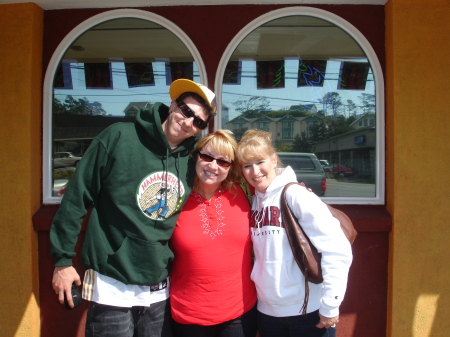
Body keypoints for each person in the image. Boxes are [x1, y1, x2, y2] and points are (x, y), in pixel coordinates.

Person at [50, 79, 217, 337]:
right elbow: (77, 196)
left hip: (158, 288)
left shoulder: (190, 161)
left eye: (198, 122)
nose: (188, 122)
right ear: (173, 104)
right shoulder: (119, 137)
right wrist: (62, 260)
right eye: (186, 111)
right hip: (111, 281)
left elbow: (222, 179)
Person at [236, 129, 353, 337]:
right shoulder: (254, 201)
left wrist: (330, 304)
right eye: (247, 165)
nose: (255, 171)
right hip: (267, 313)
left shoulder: (295, 194)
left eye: (260, 161)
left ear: (274, 160)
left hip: (308, 312)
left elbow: (336, 248)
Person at [170, 130, 258, 337]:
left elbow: (276, 187)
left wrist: (296, 190)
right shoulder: (176, 195)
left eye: (223, 162)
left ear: (231, 167)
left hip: (240, 313)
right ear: (196, 157)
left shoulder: (244, 191)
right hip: (188, 314)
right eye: (207, 157)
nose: (213, 166)